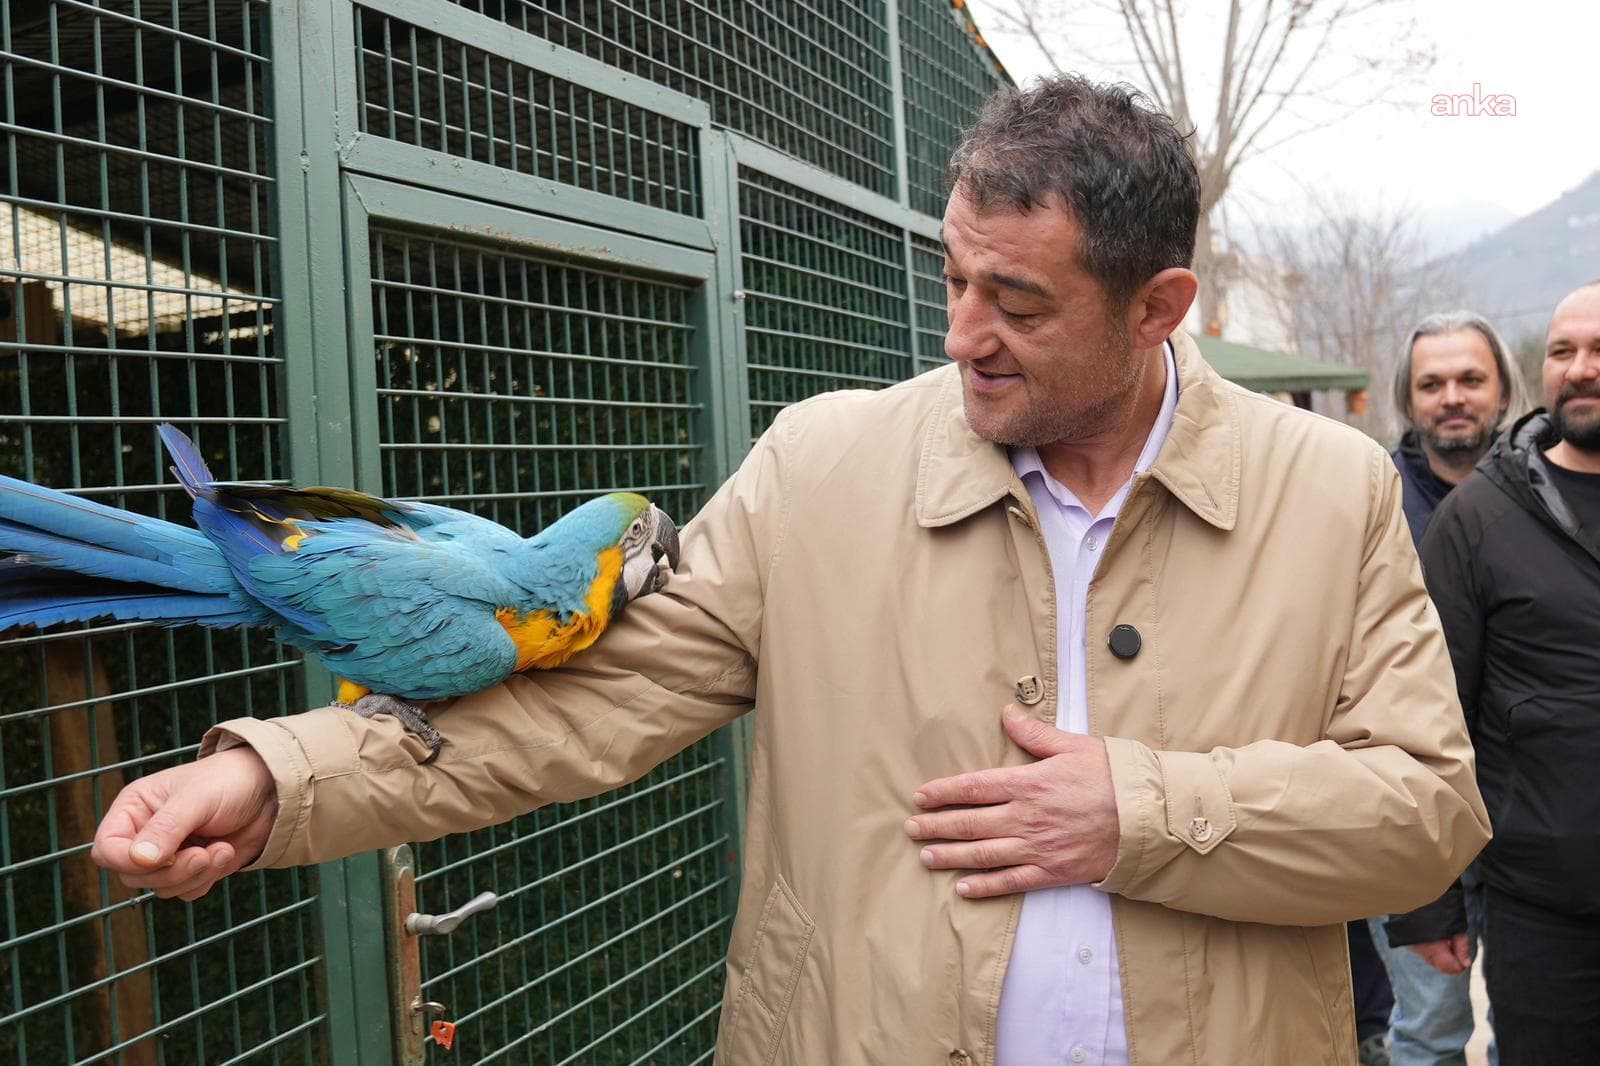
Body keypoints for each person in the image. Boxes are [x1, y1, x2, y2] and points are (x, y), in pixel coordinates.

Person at [89, 76, 1489, 1065]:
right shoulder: (824, 468)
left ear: (1158, 308)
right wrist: (283, 773)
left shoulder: (1331, 491)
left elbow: (1425, 812)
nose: (965, 334)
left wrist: (1142, 810)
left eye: (1021, 302)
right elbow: (588, 694)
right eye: (954, 280)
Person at [1405, 281, 1600, 1065]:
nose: (1581, 369)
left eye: (1598, 351)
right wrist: (1427, 903)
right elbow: (1427, 712)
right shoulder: (1482, 517)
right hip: (1542, 909)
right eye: (1563, 351)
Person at [1367, 312, 1527, 1066]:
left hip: (1530, 810)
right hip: (1411, 807)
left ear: (1503, 391)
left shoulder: (1547, 493)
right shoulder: (1370, 505)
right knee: (1429, 1030)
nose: (1452, 397)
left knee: (1535, 1020)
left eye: (1471, 380)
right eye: (1432, 384)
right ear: (1408, 397)